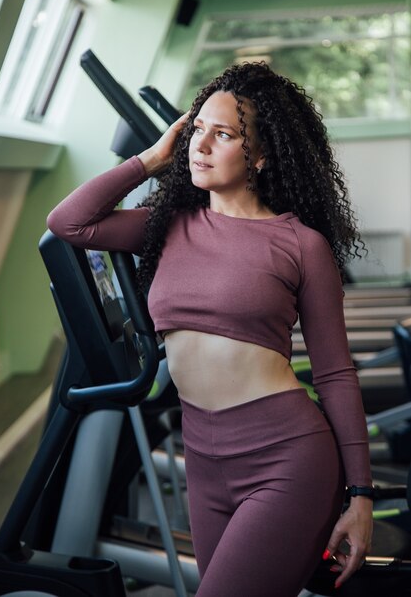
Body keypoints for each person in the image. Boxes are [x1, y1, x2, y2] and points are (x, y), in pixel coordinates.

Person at [47, 61, 373, 597]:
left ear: (262, 156)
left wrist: (361, 495)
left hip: (286, 458)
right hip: (201, 455)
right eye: (197, 129)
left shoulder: (301, 245)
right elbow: (70, 223)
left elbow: (336, 374)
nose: (200, 144)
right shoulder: (168, 224)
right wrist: (153, 158)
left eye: (222, 134)